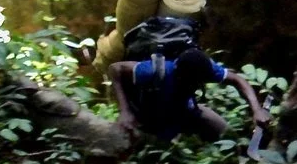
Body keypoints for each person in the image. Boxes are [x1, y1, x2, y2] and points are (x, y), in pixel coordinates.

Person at [110, 44, 271, 146]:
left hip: (185, 111)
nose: (198, 85)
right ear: (182, 77)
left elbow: (236, 79)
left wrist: (256, 109)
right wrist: (125, 111)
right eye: (194, 83)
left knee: (228, 137)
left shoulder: (204, 69)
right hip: (151, 116)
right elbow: (115, 69)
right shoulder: (154, 71)